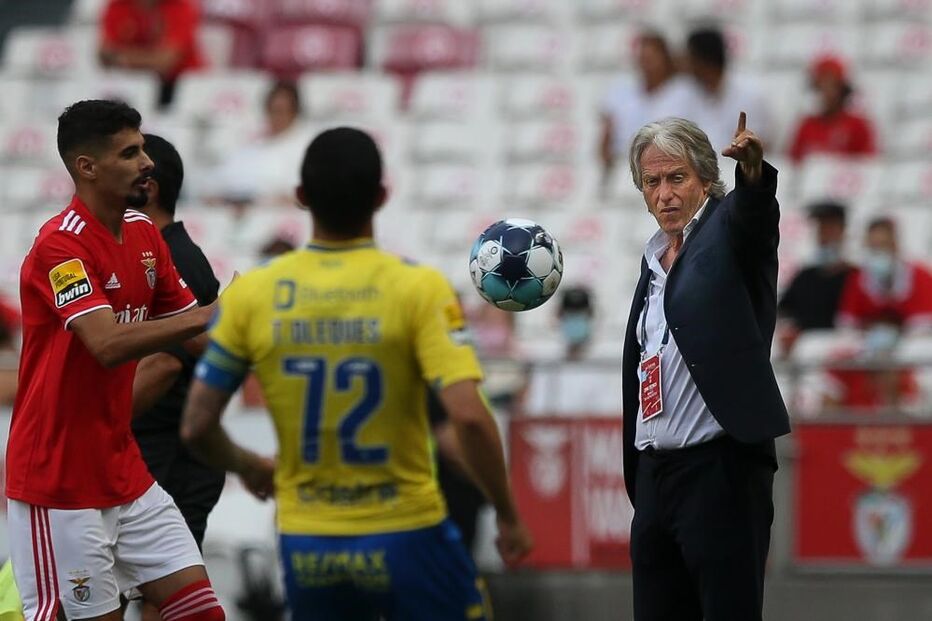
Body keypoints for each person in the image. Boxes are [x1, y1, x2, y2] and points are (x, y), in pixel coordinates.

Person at [180, 127, 532, 620]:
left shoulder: (252, 296)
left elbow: (197, 425)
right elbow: (469, 418)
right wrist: (509, 516)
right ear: (383, 196)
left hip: (309, 537)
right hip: (409, 530)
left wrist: (252, 467)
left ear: (301, 198)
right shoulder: (419, 289)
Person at [5, 100, 224, 621]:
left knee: (200, 612)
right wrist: (210, 315)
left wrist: (265, 328)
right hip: (58, 477)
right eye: (130, 152)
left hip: (123, 468)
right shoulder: (59, 248)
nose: (147, 161)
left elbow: (197, 336)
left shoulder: (146, 235)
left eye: (143, 147)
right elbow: (104, 344)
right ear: (87, 167)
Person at [621, 113, 791, 620]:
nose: (665, 193)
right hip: (656, 477)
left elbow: (755, 217)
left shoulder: (727, 230)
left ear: (705, 179)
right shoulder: (653, 259)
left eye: (677, 178)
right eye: (652, 182)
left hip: (720, 472)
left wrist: (754, 175)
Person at [130, 133, 226, 621]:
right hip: (167, 454)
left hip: (172, 459)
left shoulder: (175, 260)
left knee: (160, 596)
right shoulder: (158, 253)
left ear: (148, 187)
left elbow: (165, 362)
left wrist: (97, 420)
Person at [599, 30, 694, 178]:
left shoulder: (684, 92)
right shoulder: (620, 92)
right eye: (643, 58)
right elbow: (606, 139)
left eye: (652, 58)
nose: (647, 64)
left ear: (664, 59)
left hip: (669, 168)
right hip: (625, 169)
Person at [520, 286, 622, 416]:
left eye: (580, 314)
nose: (575, 319)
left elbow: (611, 412)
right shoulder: (546, 362)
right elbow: (536, 410)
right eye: (570, 314)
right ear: (559, 317)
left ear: (591, 317)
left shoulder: (606, 361)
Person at [203, 81, 308, 208]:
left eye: (281, 110)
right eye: (271, 110)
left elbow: (298, 195)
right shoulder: (252, 145)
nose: (275, 116)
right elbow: (220, 181)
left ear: (294, 112)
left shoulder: (303, 147)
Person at [777, 201, 855, 353]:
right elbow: (783, 311)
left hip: (840, 350)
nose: (824, 235)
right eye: (821, 228)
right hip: (805, 351)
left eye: (830, 228)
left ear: (843, 232)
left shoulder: (855, 276)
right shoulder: (805, 275)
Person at [99, 0, 205, 107]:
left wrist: (122, 57)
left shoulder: (180, 6)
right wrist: (153, 57)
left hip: (178, 86)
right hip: (131, 83)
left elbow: (166, 63)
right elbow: (104, 55)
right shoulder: (118, 6)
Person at [682, 28, 773, 152]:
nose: (685, 64)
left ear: (704, 60)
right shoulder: (685, 92)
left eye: (689, 58)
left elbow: (762, 146)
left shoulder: (751, 94)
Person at [837, 216, 932, 330]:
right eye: (874, 247)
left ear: (895, 244)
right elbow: (847, 323)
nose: (879, 252)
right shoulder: (858, 279)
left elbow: (925, 323)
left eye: (884, 245)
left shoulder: (921, 276)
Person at [788, 55, 877, 164]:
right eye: (822, 85)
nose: (827, 92)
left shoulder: (858, 125)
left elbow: (867, 164)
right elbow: (794, 162)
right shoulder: (806, 126)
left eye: (832, 85)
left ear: (843, 88)